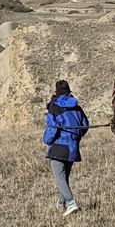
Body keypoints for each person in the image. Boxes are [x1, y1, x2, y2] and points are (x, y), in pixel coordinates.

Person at [42, 80, 89, 216]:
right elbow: (85, 125)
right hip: (73, 148)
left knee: (60, 178)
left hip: (58, 147)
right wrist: (76, 137)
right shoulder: (77, 107)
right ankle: (60, 203)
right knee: (64, 177)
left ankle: (71, 202)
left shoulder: (54, 107)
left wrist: (47, 140)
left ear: (57, 92)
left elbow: (52, 128)